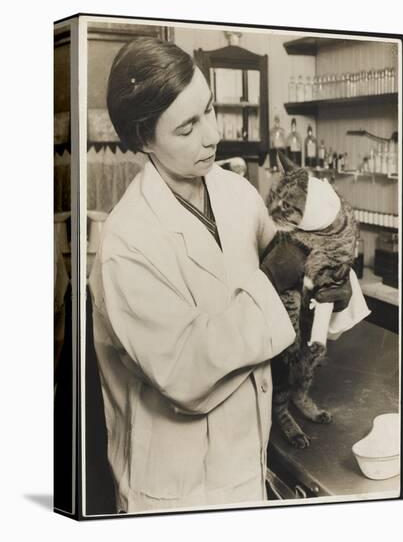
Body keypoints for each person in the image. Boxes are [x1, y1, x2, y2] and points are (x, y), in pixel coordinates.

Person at [89, 36, 365, 514]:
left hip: (247, 457)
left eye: (210, 110)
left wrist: (333, 288)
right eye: (187, 126)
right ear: (142, 137)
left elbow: (297, 276)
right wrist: (277, 276)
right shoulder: (126, 245)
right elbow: (185, 372)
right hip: (178, 487)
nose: (211, 135)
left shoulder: (236, 194)